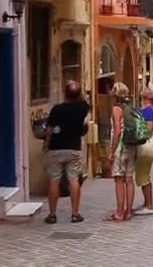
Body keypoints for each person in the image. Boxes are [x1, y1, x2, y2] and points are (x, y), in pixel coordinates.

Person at [44, 80, 90, 224]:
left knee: (54, 180)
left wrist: (46, 144)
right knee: (74, 180)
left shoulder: (57, 109)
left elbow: (49, 130)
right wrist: (78, 91)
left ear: (65, 93)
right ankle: (75, 214)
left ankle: (52, 214)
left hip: (56, 148)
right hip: (73, 148)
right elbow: (84, 100)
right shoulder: (82, 108)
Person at [104, 82, 135, 222]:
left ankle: (119, 212)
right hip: (131, 146)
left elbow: (117, 131)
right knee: (129, 179)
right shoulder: (130, 107)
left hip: (121, 147)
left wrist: (111, 151)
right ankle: (128, 212)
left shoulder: (117, 109)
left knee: (118, 180)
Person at [134, 87, 153, 216]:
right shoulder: (149, 109)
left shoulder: (148, 110)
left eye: (148, 89)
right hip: (144, 145)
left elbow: (148, 128)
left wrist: (138, 136)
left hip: (144, 145)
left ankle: (149, 205)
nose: (144, 89)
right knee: (144, 175)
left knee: (143, 176)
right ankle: (146, 203)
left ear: (149, 96)